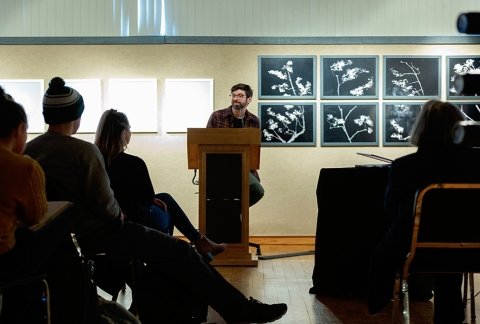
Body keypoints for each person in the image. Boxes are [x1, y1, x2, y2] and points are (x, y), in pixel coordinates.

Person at [25, 76, 288, 323]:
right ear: (76, 116)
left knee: (170, 249)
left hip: (56, 240)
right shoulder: (83, 151)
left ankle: (226, 302)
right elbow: (105, 205)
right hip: (100, 232)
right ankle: (238, 308)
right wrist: (120, 215)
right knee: (180, 250)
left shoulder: (30, 151)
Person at [367, 100, 480, 324]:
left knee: (387, 248)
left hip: (418, 253)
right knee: (450, 252)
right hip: (471, 250)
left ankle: (378, 302)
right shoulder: (476, 163)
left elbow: (390, 212)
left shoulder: (405, 167)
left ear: (422, 128)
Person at [0, 86, 97, 323]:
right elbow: (36, 217)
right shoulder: (23, 166)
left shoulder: (33, 153)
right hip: (5, 260)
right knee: (63, 218)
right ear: (18, 130)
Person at [94, 108, 227, 260]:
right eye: (129, 129)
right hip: (134, 221)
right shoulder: (134, 163)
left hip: (105, 219)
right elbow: (145, 197)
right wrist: (151, 199)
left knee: (164, 198)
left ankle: (200, 242)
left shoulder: (94, 161)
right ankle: (197, 242)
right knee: (166, 203)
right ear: (123, 133)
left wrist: (150, 198)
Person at [206, 83, 265, 206]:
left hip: (244, 167)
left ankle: (232, 211)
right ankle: (228, 214)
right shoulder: (217, 116)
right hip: (219, 166)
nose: (235, 98)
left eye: (240, 95)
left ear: (249, 99)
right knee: (217, 196)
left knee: (257, 191)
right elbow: (205, 142)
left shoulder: (254, 120)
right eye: (233, 95)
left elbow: (255, 148)